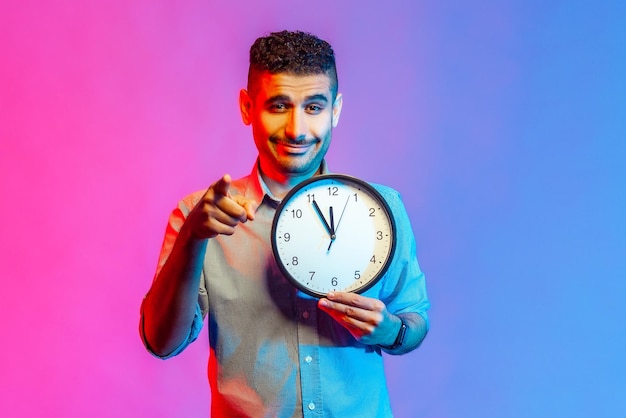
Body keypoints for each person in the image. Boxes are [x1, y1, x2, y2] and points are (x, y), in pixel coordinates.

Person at [140, 30, 430, 417]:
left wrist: (390, 330)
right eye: (278, 105)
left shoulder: (384, 208)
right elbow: (161, 342)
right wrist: (194, 237)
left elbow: (415, 317)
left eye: (314, 107)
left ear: (336, 110)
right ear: (247, 107)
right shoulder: (199, 215)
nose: (296, 129)